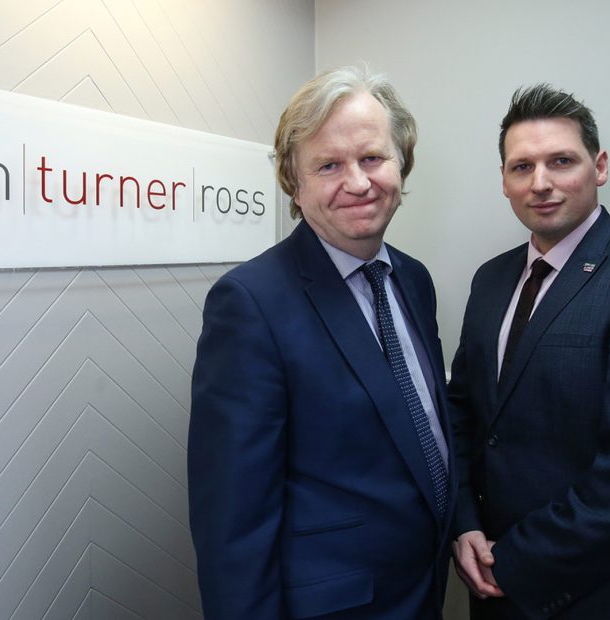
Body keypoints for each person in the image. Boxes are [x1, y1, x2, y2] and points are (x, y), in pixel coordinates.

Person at [188, 65, 454, 620]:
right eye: (329, 165)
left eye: (373, 158)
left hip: (422, 589)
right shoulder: (250, 303)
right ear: (295, 181)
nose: (357, 182)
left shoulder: (413, 279)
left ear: (402, 163)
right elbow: (233, 523)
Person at [449, 83, 610, 619]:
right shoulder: (490, 280)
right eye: (522, 167)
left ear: (599, 166)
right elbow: (463, 415)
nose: (540, 183)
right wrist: (464, 524)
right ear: (504, 181)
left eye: (561, 161)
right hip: (492, 584)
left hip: (607, 597)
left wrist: (514, 562)